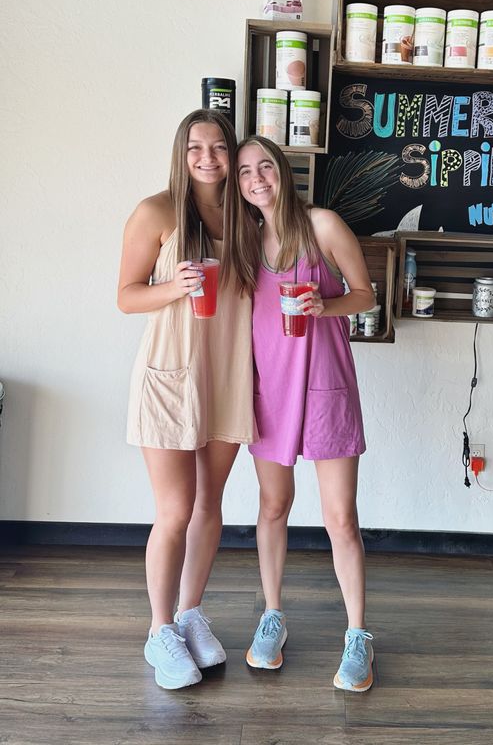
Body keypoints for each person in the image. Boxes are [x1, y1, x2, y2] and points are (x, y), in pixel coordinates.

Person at [118, 109, 257, 691]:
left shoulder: (246, 215)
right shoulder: (155, 211)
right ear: (181, 152)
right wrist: (173, 286)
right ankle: (160, 629)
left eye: (219, 147)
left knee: (208, 504)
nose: (207, 157)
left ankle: (190, 612)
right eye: (196, 147)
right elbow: (126, 296)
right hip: (171, 372)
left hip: (226, 372)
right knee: (175, 510)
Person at [231, 135, 376, 692]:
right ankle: (273, 616)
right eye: (245, 172)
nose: (256, 179)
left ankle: (358, 635)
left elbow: (365, 295)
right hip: (270, 391)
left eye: (265, 166)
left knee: (341, 519)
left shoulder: (323, 226)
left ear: (283, 170)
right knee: (273, 507)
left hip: (324, 388)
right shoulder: (246, 241)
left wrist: (326, 304)